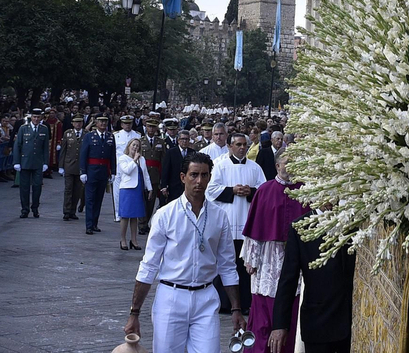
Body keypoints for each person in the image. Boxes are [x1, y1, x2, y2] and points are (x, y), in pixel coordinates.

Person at [126, 153, 244, 353]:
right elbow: (149, 265)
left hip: (206, 297)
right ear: (183, 177)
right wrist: (134, 313)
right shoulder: (165, 215)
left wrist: (236, 309)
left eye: (204, 175)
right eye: (194, 175)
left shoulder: (219, 216)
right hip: (171, 298)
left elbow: (227, 265)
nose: (199, 181)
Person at [241, 155, 308, 349]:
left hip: (296, 256)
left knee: (292, 304)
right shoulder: (265, 190)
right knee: (264, 312)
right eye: (287, 161)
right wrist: (251, 260)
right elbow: (255, 228)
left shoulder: (304, 190)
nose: (290, 166)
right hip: (269, 257)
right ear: (277, 165)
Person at [268, 224, 354, 353]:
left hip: (350, 322)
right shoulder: (301, 228)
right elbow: (288, 279)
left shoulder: (353, 222)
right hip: (317, 322)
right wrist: (280, 325)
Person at [207, 133, 265, 316]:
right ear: (230, 146)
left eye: (244, 145)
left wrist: (251, 191)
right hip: (228, 220)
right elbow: (211, 189)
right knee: (225, 262)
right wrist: (232, 190)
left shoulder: (255, 168)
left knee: (244, 264)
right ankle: (223, 302)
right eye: (238, 144)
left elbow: (263, 191)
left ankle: (245, 303)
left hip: (246, 222)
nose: (242, 148)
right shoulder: (219, 165)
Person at [115, 139, 152, 251]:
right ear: (129, 146)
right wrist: (134, 159)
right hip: (127, 189)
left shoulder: (142, 159)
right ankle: (123, 239)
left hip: (138, 189)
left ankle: (134, 240)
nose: (135, 147)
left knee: (135, 216)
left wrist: (149, 188)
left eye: (137, 146)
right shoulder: (123, 158)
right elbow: (127, 170)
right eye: (133, 145)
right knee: (125, 216)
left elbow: (146, 174)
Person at [13, 110, 51, 219]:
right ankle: (25, 209)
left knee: (37, 186)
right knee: (24, 187)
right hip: (25, 162)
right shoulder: (23, 128)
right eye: (34, 117)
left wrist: (45, 162)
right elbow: (18, 145)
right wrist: (16, 161)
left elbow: (45, 147)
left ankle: (35, 208)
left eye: (38, 117)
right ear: (31, 117)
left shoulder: (44, 129)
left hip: (38, 162)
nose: (36, 119)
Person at [80, 115, 115, 235]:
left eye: (105, 121)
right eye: (101, 121)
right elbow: (83, 155)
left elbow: (112, 156)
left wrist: (113, 172)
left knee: (99, 199)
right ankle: (89, 225)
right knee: (90, 199)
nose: (103, 124)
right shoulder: (89, 136)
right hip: (91, 170)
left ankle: (94, 223)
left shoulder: (110, 137)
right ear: (96, 123)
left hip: (103, 171)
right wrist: (83, 171)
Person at [59, 116, 84, 222]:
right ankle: (66, 211)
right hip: (69, 165)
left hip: (80, 166)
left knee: (77, 190)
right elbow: (63, 150)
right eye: (76, 122)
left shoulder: (86, 134)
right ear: (72, 123)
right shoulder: (67, 133)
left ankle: (73, 211)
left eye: (80, 122)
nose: (78, 124)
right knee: (68, 189)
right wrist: (61, 166)